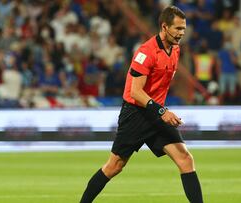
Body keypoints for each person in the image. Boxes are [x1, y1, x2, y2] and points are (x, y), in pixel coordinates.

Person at [80, 6, 203, 203]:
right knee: (114, 166)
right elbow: (135, 92)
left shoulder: (176, 49)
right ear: (164, 27)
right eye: (178, 29)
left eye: (183, 29)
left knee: (185, 159)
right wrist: (161, 110)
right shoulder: (145, 52)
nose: (181, 33)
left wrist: (159, 110)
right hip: (136, 114)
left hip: (155, 113)